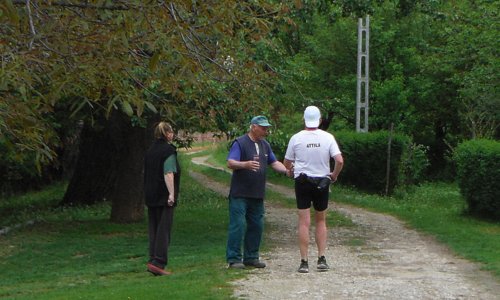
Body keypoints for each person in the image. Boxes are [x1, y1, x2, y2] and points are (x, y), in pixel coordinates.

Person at [284, 106, 344, 273]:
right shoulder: (328, 137)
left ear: (304, 119)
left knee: (304, 222)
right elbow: (339, 160)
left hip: (302, 182)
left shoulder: (296, 138)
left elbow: (287, 163)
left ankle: (304, 262)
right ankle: (321, 258)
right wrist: (333, 175)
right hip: (322, 182)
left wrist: (289, 171)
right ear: (319, 120)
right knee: (321, 220)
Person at [226, 115, 291, 269]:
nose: (265, 130)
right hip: (240, 193)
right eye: (263, 127)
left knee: (257, 225)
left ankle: (252, 257)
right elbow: (230, 162)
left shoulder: (265, 145)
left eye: (267, 128)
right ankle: (234, 258)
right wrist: (245, 164)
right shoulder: (240, 143)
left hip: (257, 193)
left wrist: (287, 171)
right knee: (238, 225)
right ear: (253, 126)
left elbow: (274, 163)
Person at [144, 122, 181, 276]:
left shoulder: (150, 150)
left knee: (154, 227)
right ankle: (159, 262)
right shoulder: (168, 151)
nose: (172, 134)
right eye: (171, 132)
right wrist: (171, 194)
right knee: (163, 229)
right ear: (167, 134)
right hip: (163, 194)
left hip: (150, 194)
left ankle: (153, 259)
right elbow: (168, 173)